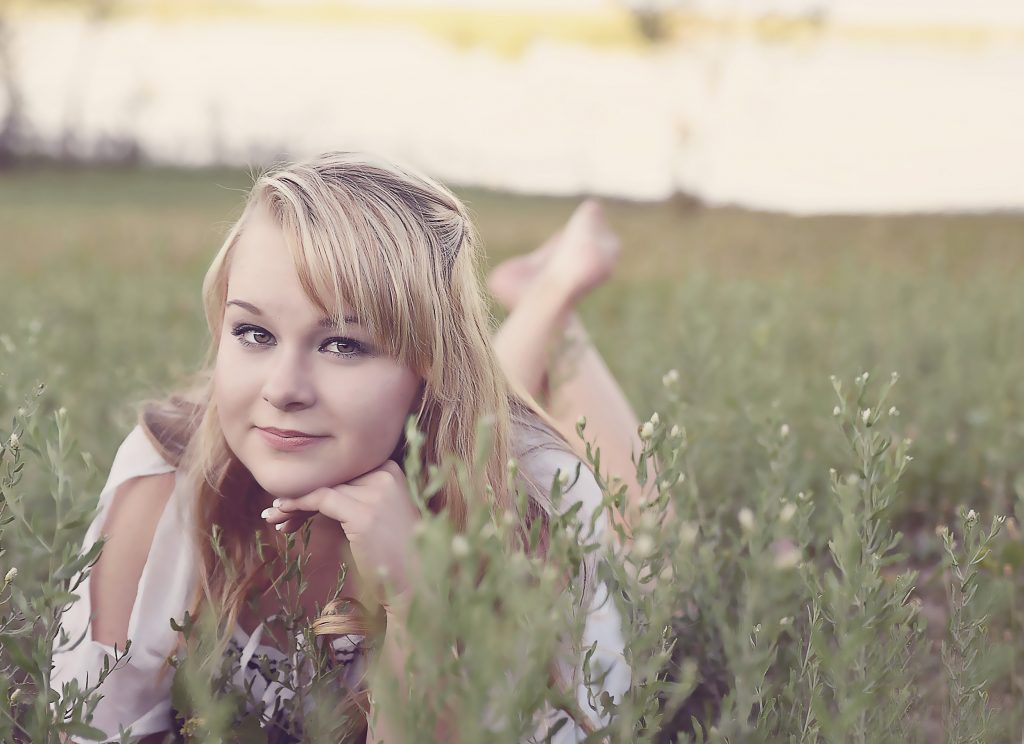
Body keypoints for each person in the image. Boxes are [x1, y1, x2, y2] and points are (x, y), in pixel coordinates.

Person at [50, 152, 651, 743]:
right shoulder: (167, 474)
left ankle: (555, 302)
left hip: (510, 490)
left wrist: (418, 602)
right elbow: (100, 730)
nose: (282, 390)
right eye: (253, 332)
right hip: (436, 419)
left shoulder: (530, 507)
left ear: (431, 367)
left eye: (343, 345)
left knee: (651, 553)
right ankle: (540, 299)